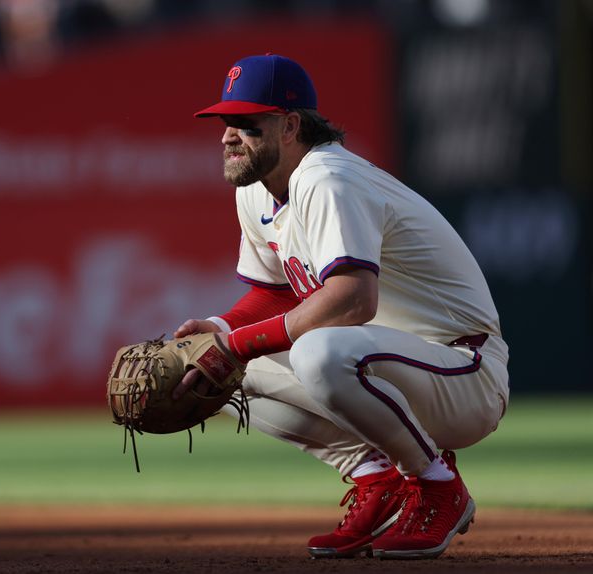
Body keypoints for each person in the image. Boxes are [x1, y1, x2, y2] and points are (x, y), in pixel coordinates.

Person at [172, 54, 509, 559]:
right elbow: (276, 293)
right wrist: (219, 331)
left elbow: (353, 299)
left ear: (289, 126)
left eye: (246, 123)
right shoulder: (258, 190)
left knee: (318, 353)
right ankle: (375, 477)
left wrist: (235, 345)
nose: (227, 135)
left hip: (462, 372)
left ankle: (438, 485)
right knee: (216, 367)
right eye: (225, 122)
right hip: (388, 368)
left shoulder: (328, 179)